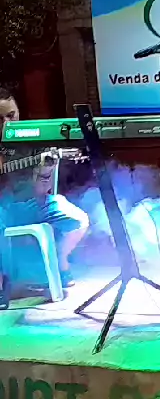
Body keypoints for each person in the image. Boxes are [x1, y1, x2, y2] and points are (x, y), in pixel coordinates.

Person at [0, 88, 89, 309]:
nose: (6, 123)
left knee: (78, 220)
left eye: (11, 115)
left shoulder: (33, 140)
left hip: (33, 203)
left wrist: (45, 171)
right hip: (3, 208)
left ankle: (60, 260)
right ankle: (3, 283)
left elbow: (41, 192)